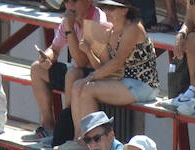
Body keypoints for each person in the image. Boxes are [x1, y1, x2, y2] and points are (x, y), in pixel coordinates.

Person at [62, 0, 159, 139]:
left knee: (87, 89)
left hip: (143, 84)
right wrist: (89, 52)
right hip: (121, 81)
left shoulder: (133, 27)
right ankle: (78, 138)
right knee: (77, 85)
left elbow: (117, 63)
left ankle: (89, 140)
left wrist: (90, 77)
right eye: (105, 7)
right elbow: (103, 66)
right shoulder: (110, 30)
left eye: (112, 8)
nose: (106, 11)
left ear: (125, 10)